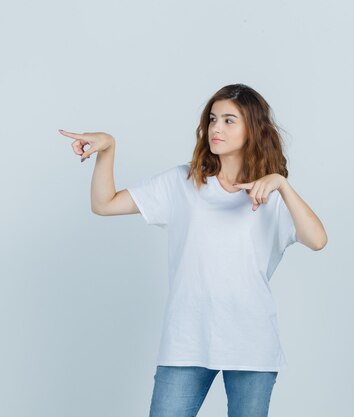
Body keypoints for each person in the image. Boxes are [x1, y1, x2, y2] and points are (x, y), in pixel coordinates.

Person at [58, 83, 328, 417]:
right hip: (186, 341)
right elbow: (104, 204)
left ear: (253, 129)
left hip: (251, 343)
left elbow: (317, 240)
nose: (216, 127)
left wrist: (282, 184)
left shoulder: (272, 195)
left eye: (229, 120)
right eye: (213, 119)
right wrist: (108, 149)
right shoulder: (182, 183)